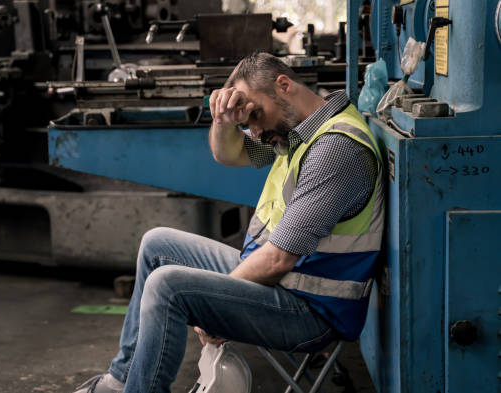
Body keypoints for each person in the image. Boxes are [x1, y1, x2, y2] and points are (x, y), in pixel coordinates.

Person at [73, 52, 384, 393]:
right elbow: (229, 154)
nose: (254, 129)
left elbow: (280, 258)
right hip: (278, 282)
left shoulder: (336, 149)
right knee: (156, 244)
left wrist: (213, 308)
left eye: (254, 114)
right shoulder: (293, 132)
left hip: (310, 311)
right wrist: (224, 120)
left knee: (168, 286)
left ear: (284, 85)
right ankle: (118, 384)